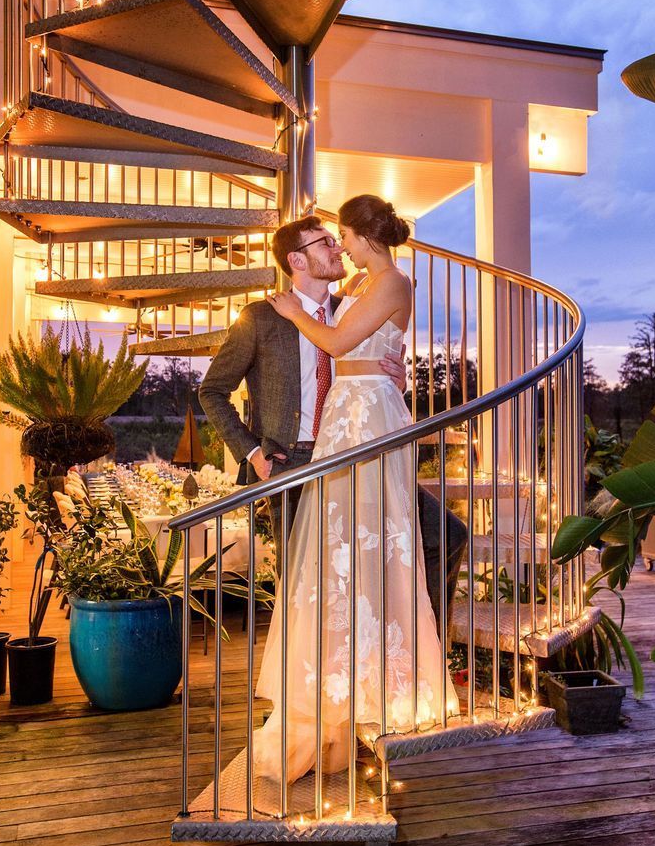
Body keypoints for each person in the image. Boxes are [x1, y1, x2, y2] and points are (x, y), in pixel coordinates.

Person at [251, 195, 460, 782]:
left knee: (374, 544)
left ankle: (380, 692)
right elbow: (353, 342)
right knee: (337, 555)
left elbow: (340, 345)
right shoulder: (364, 286)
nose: (338, 245)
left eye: (342, 234)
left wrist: (293, 310)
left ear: (363, 234)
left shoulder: (393, 281)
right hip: (347, 414)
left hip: (369, 415)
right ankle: (338, 691)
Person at [198, 213, 466, 626]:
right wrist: (252, 453)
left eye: (336, 238)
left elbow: (372, 366)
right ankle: (308, 681)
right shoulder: (261, 318)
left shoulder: (356, 306)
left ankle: (419, 648)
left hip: (359, 453)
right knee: (303, 584)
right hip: (294, 461)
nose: (338, 247)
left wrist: (399, 375)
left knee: (444, 535)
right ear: (297, 261)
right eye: (325, 242)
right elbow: (211, 391)